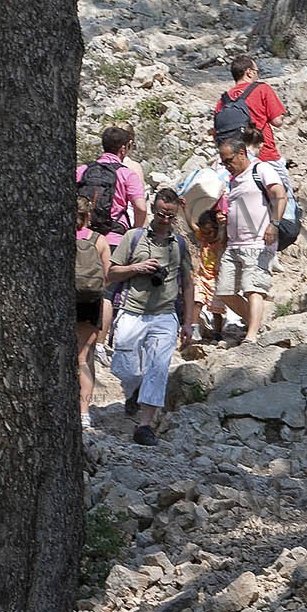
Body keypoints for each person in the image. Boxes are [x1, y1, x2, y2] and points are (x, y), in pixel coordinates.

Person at [109, 188, 195, 447]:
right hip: (132, 310)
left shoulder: (180, 244)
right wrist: (136, 268)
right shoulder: (133, 237)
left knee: (158, 367)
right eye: (160, 214)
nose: (165, 219)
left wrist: (189, 322)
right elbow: (111, 273)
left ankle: (144, 425)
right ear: (153, 209)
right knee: (123, 367)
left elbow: (189, 284)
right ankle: (135, 389)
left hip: (165, 315)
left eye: (170, 215)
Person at [77, 125, 148, 349]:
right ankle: (97, 345)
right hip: (113, 238)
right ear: (124, 149)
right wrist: (136, 233)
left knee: (77, 286)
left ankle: (75, 338)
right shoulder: (126, 173)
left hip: (82, 237)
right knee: (105, 292)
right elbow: (140, 207)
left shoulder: (83, 170)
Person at [216, 136, 287, 344]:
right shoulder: (232, 180)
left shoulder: (261, 169)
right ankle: (256, 323)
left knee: (253, 288)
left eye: (229, 160)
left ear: (241, 154)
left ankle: (252, 336)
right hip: (234, 243)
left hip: (258, 241)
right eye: (223, 162)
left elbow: (279, 194)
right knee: (225, 291)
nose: (227, 165)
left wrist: (274, 223)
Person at [214, 55, 290, 188]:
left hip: (238, 161)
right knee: (284, 195)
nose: (257, 75)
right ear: (249, 72)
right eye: (256, 71)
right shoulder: (262, 89)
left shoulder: (223, 100)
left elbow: (217, 134)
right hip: (265, 155)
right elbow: (277, 121)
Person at [75, 193, 111, 430]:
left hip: (66, 301)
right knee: (84, 358)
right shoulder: (99, 241)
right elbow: (108, 275)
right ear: (89, 215)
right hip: (90, 302)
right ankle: (84, 412)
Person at [193, 209, 226, 342]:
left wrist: (222, 223)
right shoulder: (203, 238)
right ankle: (194, 329)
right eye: (203, 233)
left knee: (216, 309)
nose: (206, 235)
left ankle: (217, 333)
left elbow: (224, 232)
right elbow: (192, 225)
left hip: (216, 280)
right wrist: (186, 210)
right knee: (197, 302)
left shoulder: (220, 241)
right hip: (202, 277)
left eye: (209, 232)